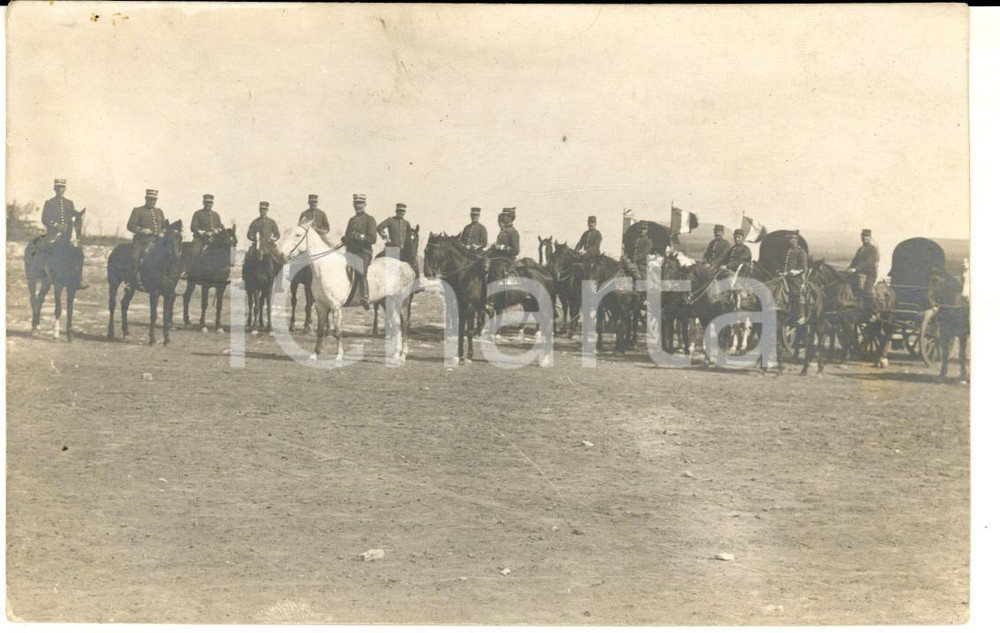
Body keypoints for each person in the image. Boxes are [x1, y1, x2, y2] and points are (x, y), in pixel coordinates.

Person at [125, 189, 168, 288]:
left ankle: (168, 283)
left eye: (154, 200)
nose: (152, 201)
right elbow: (130, 225)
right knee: (134, 257)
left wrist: (163, 232)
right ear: (146, 199)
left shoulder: (159, 211)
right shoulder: (138, 210)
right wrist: (141, 230)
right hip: (142, 241)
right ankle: (130, 282)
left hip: (157, 240)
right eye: (150, 199)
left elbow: (164, 226)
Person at [341, 193, 378, 308]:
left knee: (360, 270)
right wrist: (345, 239)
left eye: (360, 203)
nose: (358, 206)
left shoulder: (369, 219)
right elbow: (347, 236)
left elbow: (372, 239)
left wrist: (360, 237)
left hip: (364, 252)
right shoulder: (351, 220)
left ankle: (365, 296)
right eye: (356, 203)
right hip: (350, 252)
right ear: (353, 204)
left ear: (365, 204)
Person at [847, 228, 879, 316]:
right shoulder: (860, 249)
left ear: (870, 237)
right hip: (859, 273)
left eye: (867, 236)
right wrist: (849, 268)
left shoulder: (873, 249)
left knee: (867, 291)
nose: (865, 238)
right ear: (861, 237)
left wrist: (856, 269)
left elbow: (868, 262)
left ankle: (873, 312)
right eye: (863, 236)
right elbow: (854, 260)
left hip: (869, 274)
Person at [780, 231, 809, 325]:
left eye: (792, 239)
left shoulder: (801, 252)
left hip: (795, 278)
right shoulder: (786, 251)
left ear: (796, 240)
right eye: (789, 239)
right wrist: (781, 272)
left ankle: (801, 316)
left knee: (796, 293)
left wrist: (795, 272)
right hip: (784, 276)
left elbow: (804, 268)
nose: (790, 241)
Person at [41, 178, 76, 246]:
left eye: (62, 187)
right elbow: (45, 219)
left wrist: (67, 226)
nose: (60, 190)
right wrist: (57, 225)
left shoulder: (69, 203)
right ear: (54, 189)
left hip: (67, 234)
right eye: (58, 187)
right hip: (53, 234)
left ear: (65, 189)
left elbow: (72, 219)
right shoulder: (50, 202)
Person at [190, 194, 223, 258]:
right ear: (203, 203)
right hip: (200, 239)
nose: (208, 204)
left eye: (210, 203)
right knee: (194, 253)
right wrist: (204, 233)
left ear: (212, 203)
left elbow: (220, 227)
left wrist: (217, 231)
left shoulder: (216, 215)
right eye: (206, 202)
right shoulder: (198, 213)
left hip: (214, 238)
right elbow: (193, 227)